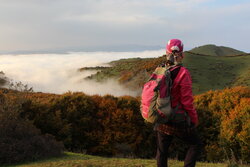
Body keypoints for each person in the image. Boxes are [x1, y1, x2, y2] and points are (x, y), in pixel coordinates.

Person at [155, 39, 203, 167]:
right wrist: (194, 119)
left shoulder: (160, 69)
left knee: (162, 151)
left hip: (161, 116)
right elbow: (187, 102)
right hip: (178, 118)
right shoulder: (183, 73)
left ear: (166, 52)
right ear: (182, 54)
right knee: (195, 144)